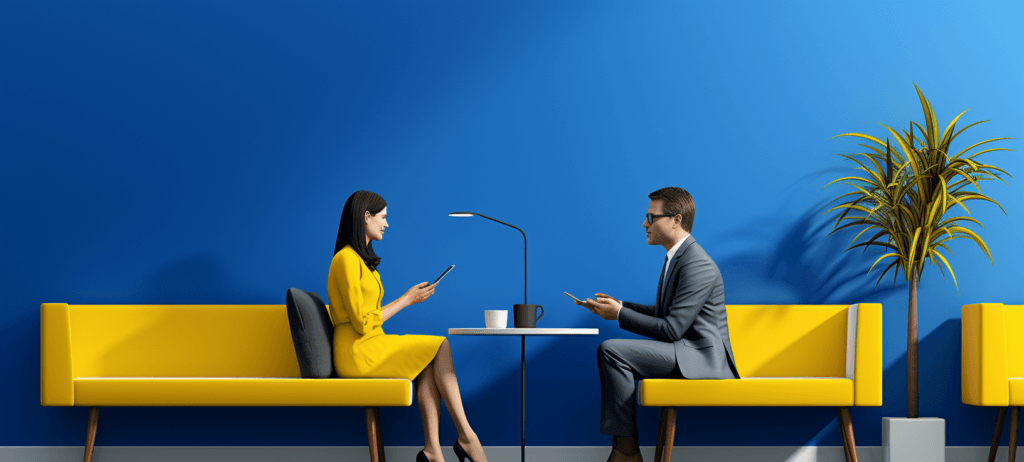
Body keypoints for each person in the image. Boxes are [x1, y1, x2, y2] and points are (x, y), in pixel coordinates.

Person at [580, 187, 740, 462]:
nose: (645, 224)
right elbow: (668, 312)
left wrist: (619, 315)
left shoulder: (697, 263)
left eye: (651, 217)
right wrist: (621, 305)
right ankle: (624, 450)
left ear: (676, 220)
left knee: (611, 350)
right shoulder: (677, 258)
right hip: (684, 350)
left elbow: (671, 328)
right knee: (611, 351)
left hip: (701, 358)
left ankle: (626, 452)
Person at [328, 190, 487, 462]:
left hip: (371, 344)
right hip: (357, 352)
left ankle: (433, 451)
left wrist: (410, 299)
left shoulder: (363, 262)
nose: (386, 224)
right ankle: (467, 437)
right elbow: (363, 323)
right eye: (383, 217)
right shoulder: (345, 259)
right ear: (366, 217)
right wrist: (406, 300)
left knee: (426, 360)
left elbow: (368, 315)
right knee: (440, 344)